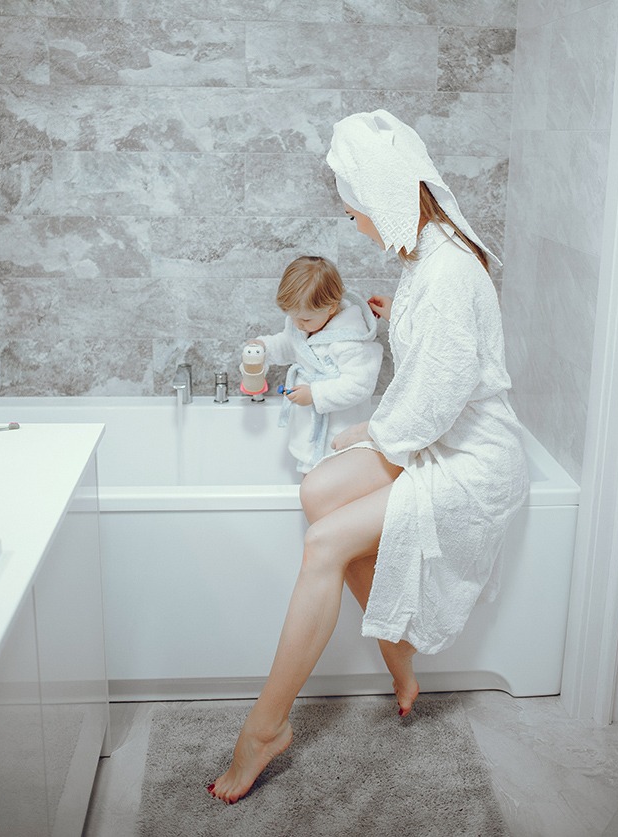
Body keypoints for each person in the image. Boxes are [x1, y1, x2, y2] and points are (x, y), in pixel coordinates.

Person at [208, 109, 529, 804]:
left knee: (325, 539)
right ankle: (398, 654)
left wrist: (362, 433)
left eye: (355, 210)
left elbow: (434, 402)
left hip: (470, 459)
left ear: (385, 197)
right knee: (319, 492)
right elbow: (438, 356)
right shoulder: (428, 253)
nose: (354, 224)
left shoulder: (445, 275)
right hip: (432, 434)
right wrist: (394, 320)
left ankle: (265, 728)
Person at [249, 255, 383, 473]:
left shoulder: (350, 340)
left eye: (305, 319)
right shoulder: (305, 323)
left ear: (331, 308)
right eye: (294, 318)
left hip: (340, 432)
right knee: (310, 477)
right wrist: (264, 347)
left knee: (334, 482)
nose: (299, 324)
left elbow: (360, 385)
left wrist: (316, 394)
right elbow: (290, 344)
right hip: (310, 430)